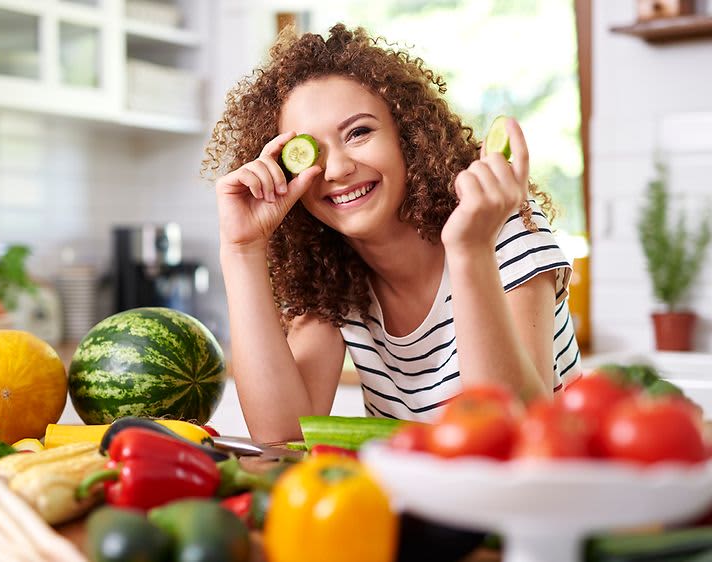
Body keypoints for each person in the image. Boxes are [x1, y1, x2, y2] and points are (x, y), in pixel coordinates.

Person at [202, 23, 581, 443]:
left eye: (359, 133)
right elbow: (281, 435)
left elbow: (515, 433)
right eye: (312, 151)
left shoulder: (501, 231)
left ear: (408, 136)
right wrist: (242, 250)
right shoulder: (333, 279)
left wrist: (470, 250)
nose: (338, 169)